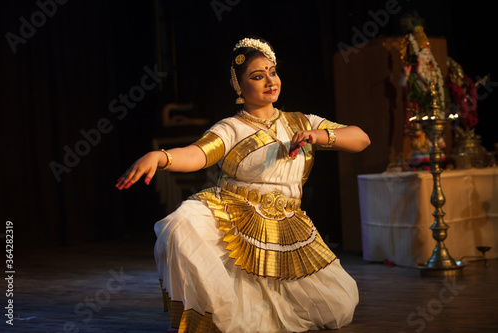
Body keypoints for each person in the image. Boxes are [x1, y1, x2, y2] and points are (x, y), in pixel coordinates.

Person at [116, 37, 370, 333]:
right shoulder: (231, 128)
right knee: (181, 225)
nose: (269, 81)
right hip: (237, 214)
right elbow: (198, 154)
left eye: (272, 72)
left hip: (288, 224)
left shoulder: (302, 122)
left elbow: (361, 138)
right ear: (239, 86)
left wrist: (319, 136)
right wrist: (160, 157)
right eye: (257, 76)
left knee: (338, 304)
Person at [398, 14, 449, 168]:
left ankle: (434, 147)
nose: (427, 56)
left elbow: (434, 87)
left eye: (429, 53)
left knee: (437, 134)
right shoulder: (413, 72)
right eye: (424, 54)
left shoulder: (434, 71)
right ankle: (424, 151)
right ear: (418, 55)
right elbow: (404, 84)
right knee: (422, 132)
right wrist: (410, 74)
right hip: (420, 108)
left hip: (434, 107)